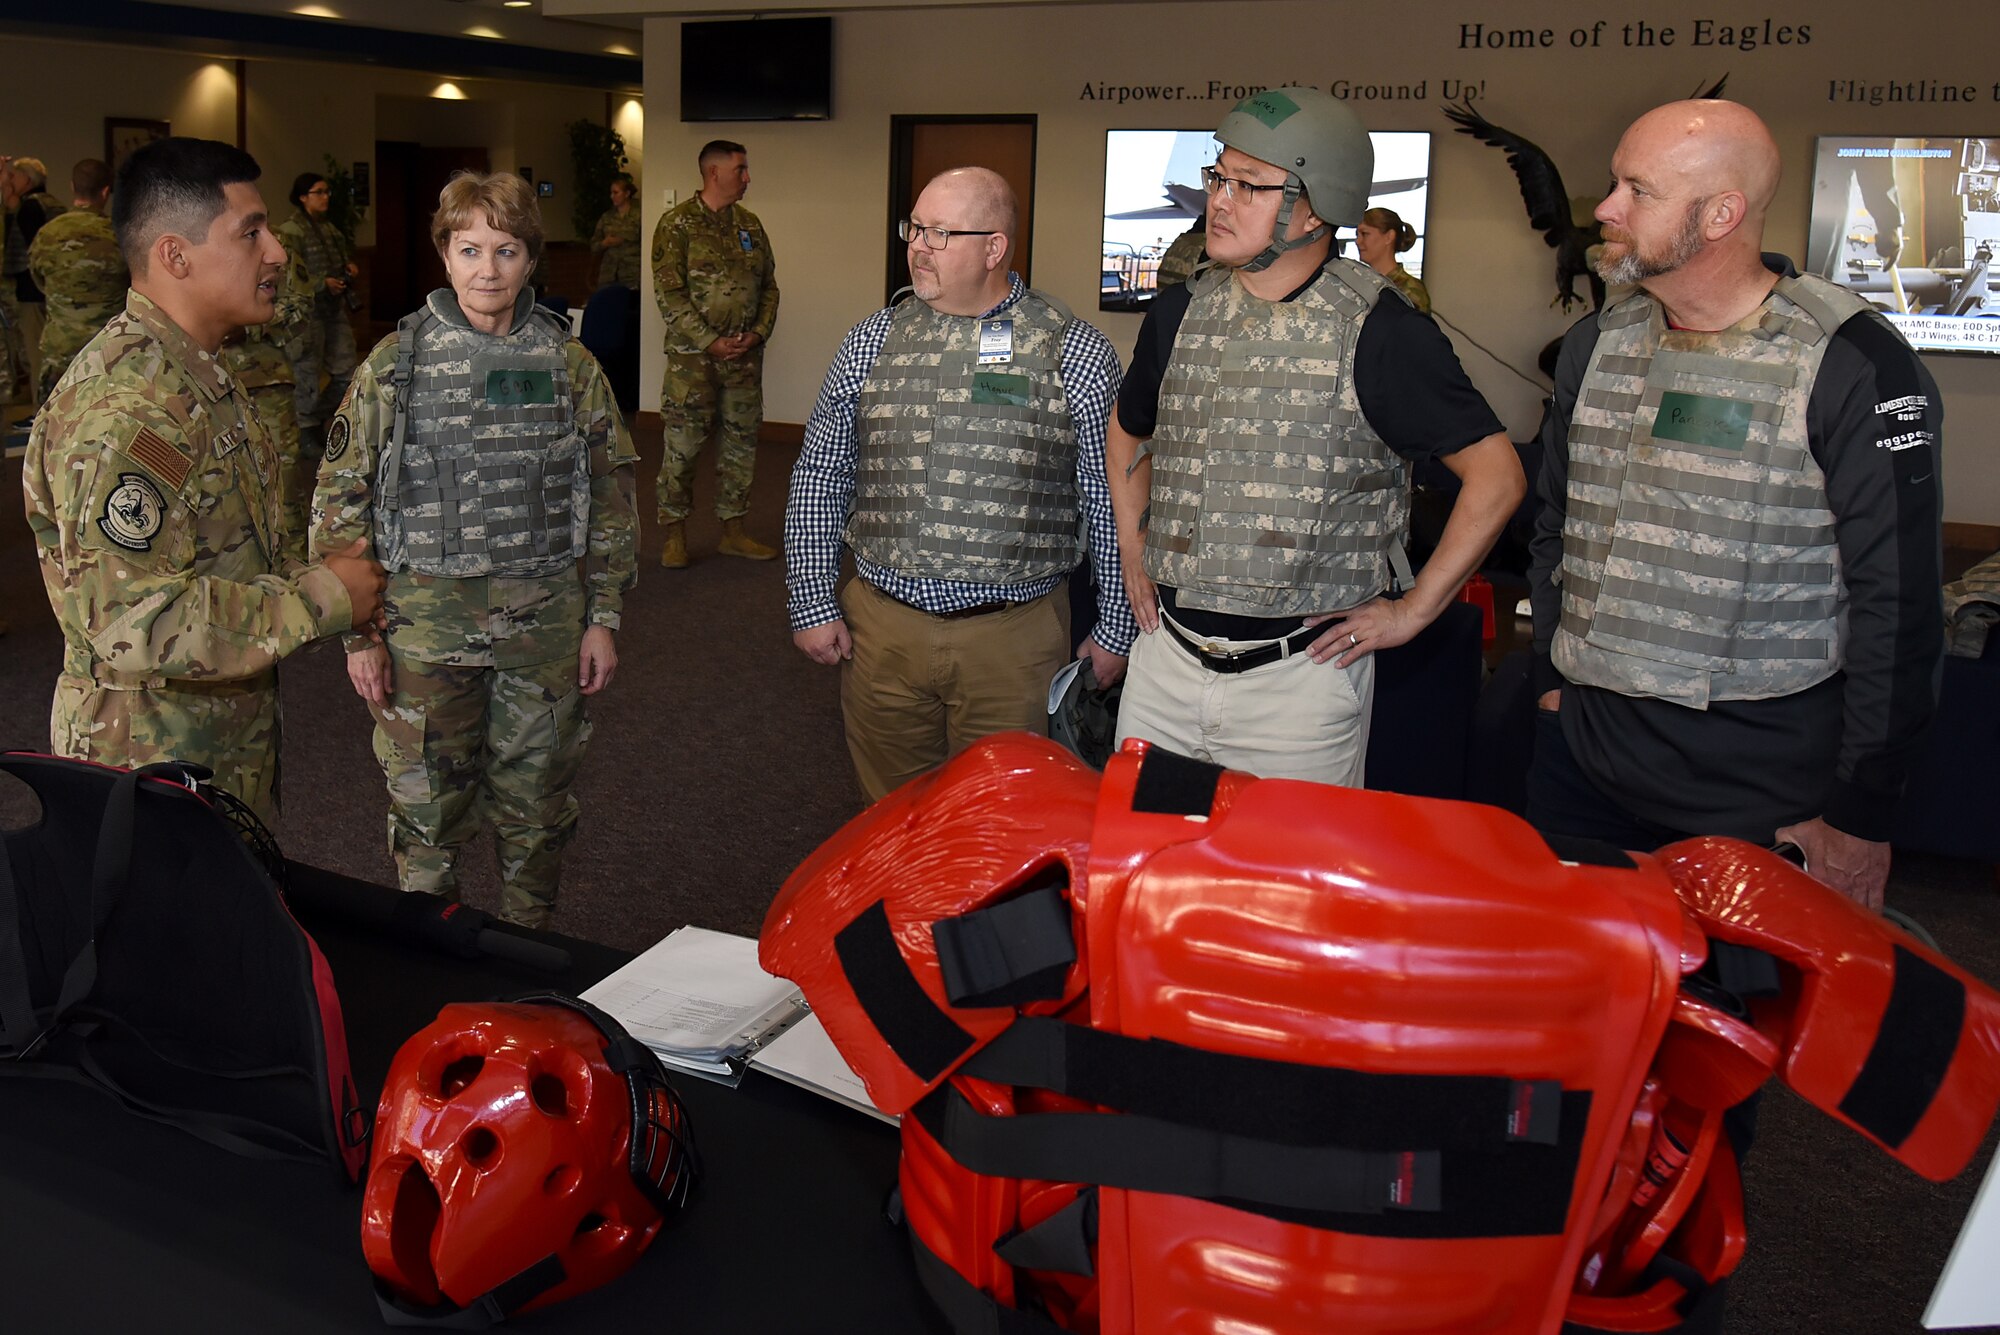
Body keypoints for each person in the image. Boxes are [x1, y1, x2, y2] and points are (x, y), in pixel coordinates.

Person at [1527, 99, 1944, 914]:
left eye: (1635, 190)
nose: (1605, 209)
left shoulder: (1852, 365)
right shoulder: (1598, 345)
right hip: (1582, 766)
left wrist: (1861, 811)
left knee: (1738, 1033)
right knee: (1580, 1014)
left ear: (1721, 214)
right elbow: (1556, 528)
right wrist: (1551, 681)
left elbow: (1898, 605)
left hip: (1757, 793)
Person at [1107, 88, 1522, 786]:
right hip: (1165, 665)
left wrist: (1412, 611)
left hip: (1298, 684)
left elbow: (1499, 476)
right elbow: (1128, 432)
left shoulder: (1381, 331)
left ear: (1316, 204)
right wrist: (1131, 545)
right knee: (1148, 876)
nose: (1221, 199)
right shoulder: (1180, 310)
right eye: (1218, 177)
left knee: (1283, 890)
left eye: (1249, 185)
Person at [21, 136, 386, 823]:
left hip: (213, 758)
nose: (276, 251)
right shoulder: (129, 412)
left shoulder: (198, 374)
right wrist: (326, 595)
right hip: (149, 775)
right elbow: (138, 621)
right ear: (175, 254)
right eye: (250, 232)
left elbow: (238, 557)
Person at [315, 170, 639, 930]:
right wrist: (357, 635)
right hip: (423, 628)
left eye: (506, 251)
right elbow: (339, 504)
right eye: (469, 249)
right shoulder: (395, 364)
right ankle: (435, 970)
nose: (486, 270)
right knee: (427, 812)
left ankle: (527, 956)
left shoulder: (569, 365)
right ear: (444, 255)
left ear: (531, 260)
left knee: (538, 809)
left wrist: (605, 613)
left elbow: (612, 498)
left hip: (545, 625)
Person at [786, 166, 1135, 803]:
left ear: (995, 248)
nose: (918, 246)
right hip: (882, 634)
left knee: (1000, 826)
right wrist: (812, 598)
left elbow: (1110, 498)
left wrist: (1115, 622)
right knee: (890, 820)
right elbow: (822, 472)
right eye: (915, 228)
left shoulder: (1072, 352)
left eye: (941, 233)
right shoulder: (873, 340)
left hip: (1012, 641)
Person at [651, 139, 778, 568]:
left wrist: (758, 333)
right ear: (714, 173)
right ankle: (674, 535)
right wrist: (709, 341)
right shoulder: (677, 225)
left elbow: (770, 288)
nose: (747, 178)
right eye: (740, 169)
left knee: (740, 446)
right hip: (693, 363)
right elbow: (669, 295)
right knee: (683, 448)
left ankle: (734, 531)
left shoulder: (751, 225)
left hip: (744, 360)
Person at [27, 158, 127, 401]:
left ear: (72, 186)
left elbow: (38, 279)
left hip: (60, 352)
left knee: (54, 427)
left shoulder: (48, 233)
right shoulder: (120, 235)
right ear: (105, 192)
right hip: (109, 351)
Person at [275, 170, 358, 448]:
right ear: (302, 197)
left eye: (327, 192)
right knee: (306, 372)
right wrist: (322, 284)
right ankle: (307, 428)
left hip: (333, 310)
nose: (325, 198)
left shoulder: (330, 230)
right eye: (318, 192)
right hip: (306, 314)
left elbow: (339, 259)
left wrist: (347, 269)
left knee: (348, 370)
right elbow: (286, 276)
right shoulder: (290, 231)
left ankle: (317, 417)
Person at [4, 156, 66, 405]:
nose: (10, 180)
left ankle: (38, 412)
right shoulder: (55, 204)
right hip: (54, 290)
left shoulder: (28, 208)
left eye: (14, 176)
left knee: (34, 354)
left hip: (31, 291)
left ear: (27, 180)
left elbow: (32, 252)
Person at [1353, 206, 1429, 314]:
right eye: (1357, 234)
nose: (1358, 241)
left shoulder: (1410, 290)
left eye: (1365, 234)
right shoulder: (1360, 283)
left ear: (1389, 237)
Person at [591, 172, 642, 291]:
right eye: (611, 193)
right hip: (609, 274)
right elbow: (594, 245)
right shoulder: (606, 217)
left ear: (627, 194)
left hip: (632, 274)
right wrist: (605, 243)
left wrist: (623, 239)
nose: (612, 196)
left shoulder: (640, 215)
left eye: (616, 192)